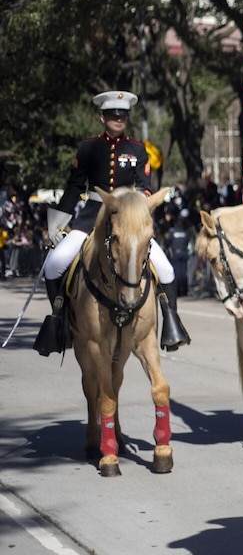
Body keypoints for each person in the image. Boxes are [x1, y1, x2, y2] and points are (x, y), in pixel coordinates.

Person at [35, 91, 190, 356]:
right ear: (102, 117)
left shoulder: (138, 150)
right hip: (91, 217)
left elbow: (145, 189)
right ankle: (60, 323)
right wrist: (57, 224)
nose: (118, 120)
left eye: (122, 115)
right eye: (112, 115)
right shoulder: (87, 148)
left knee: (166, 269)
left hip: (127, 221)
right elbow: (74, 187)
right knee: (54, 264)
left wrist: (139, 212)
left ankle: (171, 324)